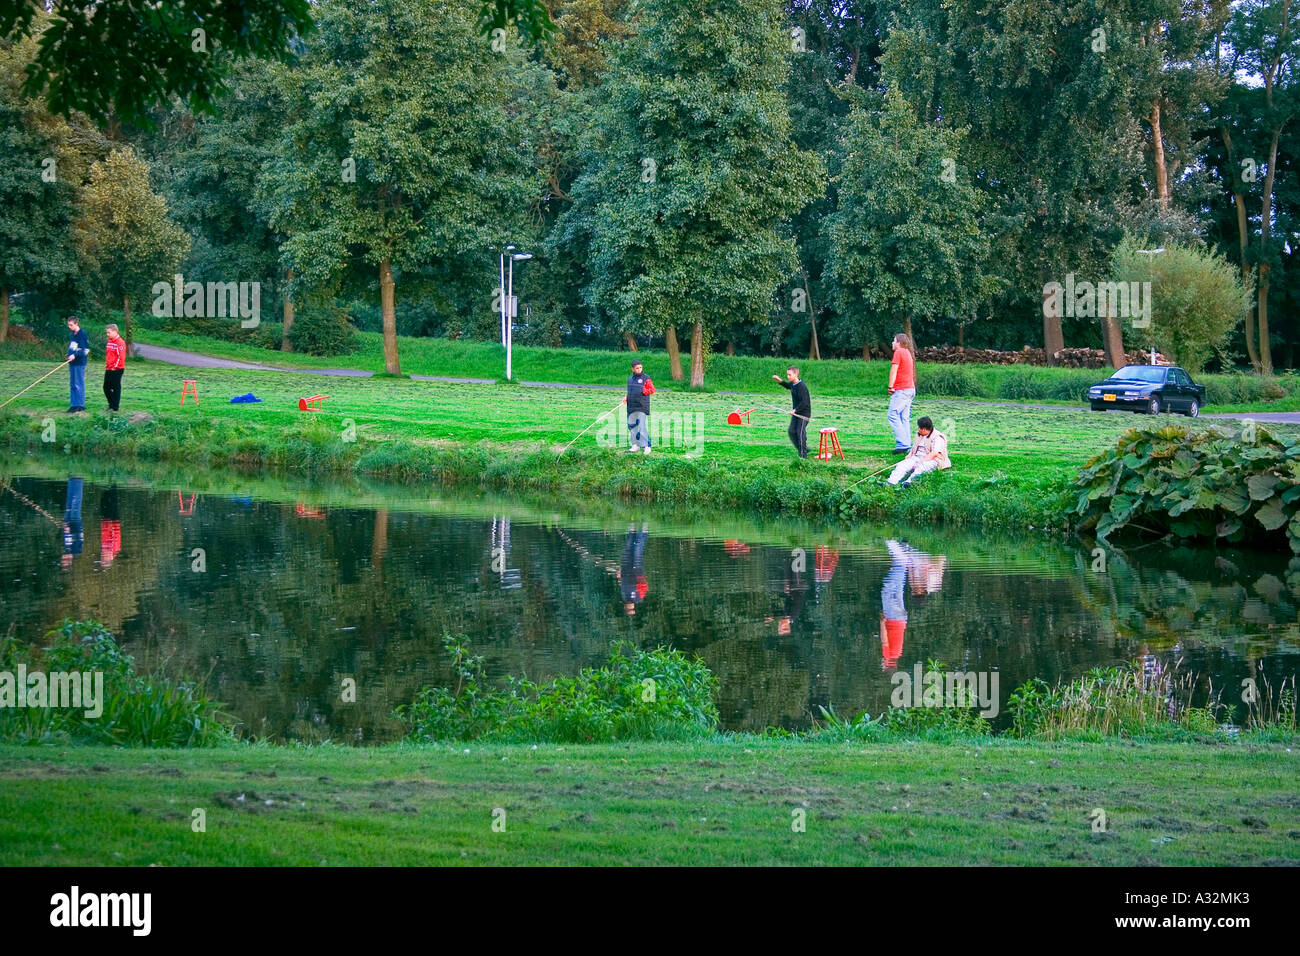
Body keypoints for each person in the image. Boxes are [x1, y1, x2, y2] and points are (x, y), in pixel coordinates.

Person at [886, 416, 950, 486]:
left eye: (919, 427)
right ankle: (891, 482)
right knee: (902, 465)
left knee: (921, 468)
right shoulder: (919, 435)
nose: (918, 429)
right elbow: (914, 447)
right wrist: (910, 454)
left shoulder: (938, 437)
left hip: (933, 460)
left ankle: (908, 482)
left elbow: (934, 453)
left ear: (924, 429)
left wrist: (921, 461)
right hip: (916, 457)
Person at [772, 366, 811, 458]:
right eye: (787, 374)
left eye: (790, 375)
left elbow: (805, 402)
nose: (788, 376)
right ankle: (803, 448)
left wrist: (795, 410)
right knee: (791, 431)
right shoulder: (793, 384)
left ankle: (803, 455)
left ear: (796, 374)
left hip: (804, 414)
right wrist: (779, 380)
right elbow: (788, 386)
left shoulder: (801, 386)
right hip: (796, 413)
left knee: (799, 432)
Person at [887, 332, 916, 453]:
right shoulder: (908, 353)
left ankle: (903, 444)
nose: (892, 343)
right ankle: (907, 443)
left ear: (898, 343)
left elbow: (894, 370)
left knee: (893, 415)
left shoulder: (898, 352)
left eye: (894, 341)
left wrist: (890, 386)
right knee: (904, 417)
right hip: (910, 389)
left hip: (902, 389)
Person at [619, 522, 650, 615]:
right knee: (637, 549)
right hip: (637, 570)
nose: (630, 607)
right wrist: (638, 581)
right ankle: (644, 529)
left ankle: (632, 529)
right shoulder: (638, 598)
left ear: (625, 607)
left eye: (629, 609)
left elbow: (623, 584)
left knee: (628, 547)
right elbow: (644, 586)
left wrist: (620, 576)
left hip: (625, 567)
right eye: (632, 609)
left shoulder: (624, 596)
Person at [626, 360, 654, 455]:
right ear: (633, 369)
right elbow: (630, 391)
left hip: (641, 406)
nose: (639, 369)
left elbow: (652, 389)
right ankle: (635, 445)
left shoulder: (646, 378)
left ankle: (647, 446)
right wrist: (626, 397)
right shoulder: (630, 379)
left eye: (640, 367)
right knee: (632, 426)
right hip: (631, 406)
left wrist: (643, 390)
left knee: (641, 426)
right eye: (637, 368)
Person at [65, 315, 91, 413]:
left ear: (76, 324)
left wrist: (75, 355)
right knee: (72, 384)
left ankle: (80, 405)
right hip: (72, 363)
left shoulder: (82, 334)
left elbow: (85, 350)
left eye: (71, 325)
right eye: (68, 325)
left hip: (79, 363)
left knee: (78, 384)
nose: (69, 327)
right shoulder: (73, 334)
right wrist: (69, 355)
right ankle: (73, 405)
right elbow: (72, 346)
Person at [103, 324, 126, 412]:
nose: (107, 334)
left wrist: (114, 367)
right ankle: (111, 404)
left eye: (109, 332)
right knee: (106, 387)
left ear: (115, 331)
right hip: (109, 368)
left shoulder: (120, 342)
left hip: (117, 369)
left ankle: (115, 407)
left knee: (116, 387)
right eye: (107, 332)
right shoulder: (109, 341)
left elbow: (121, 357)